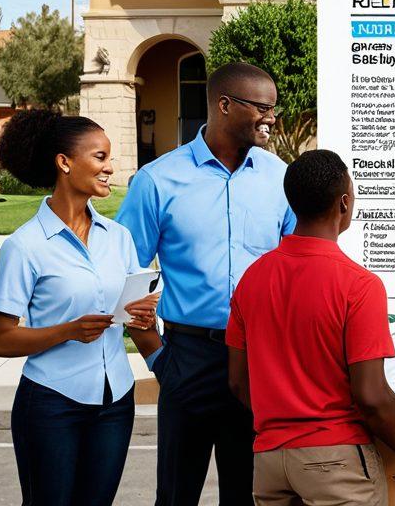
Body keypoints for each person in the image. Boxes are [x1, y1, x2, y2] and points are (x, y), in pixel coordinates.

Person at [117, 61, 296, 506]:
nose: (271, 118)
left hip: (258, 359)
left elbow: (299, 269)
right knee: (176, 495)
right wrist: (157, 358)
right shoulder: (157, 180)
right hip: (187, 359)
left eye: (273, 108)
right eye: (262, 108)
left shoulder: (280, 178)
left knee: (248, 496)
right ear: (224, 105)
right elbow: (125, 275)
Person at [227, 149, 395, 506]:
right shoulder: (359, 285)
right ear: (344, 203)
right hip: (335, 460)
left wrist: (287, 418)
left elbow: (238, 382)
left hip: (269, 462)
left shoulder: (251, 279)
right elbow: (371, 397)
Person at [0, 109, 162, 506]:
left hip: (116, 402)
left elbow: (135, 313)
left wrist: (144, 316)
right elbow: (2, 339)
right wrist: (68, 330)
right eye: (100, 157)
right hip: (51, 404)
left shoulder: (118, 237)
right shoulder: (24, 246)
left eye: (109, 158)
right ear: (64, 163)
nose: (110, 168)